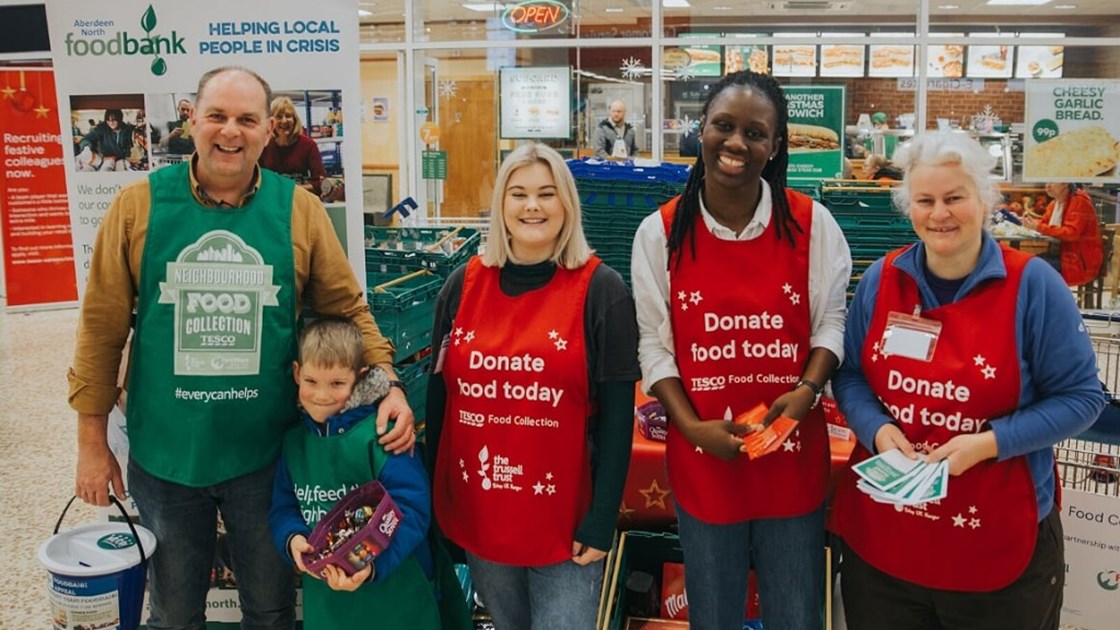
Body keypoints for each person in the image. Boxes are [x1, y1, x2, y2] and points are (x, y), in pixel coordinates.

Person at [69, 65, 416, 629]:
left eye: (247, 120)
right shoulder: (139, 207)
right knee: (174, 613)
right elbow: (101, 329)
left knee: (271, 610)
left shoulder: (298, 210)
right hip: (165, 454)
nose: (231, 131)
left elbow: (346, 307)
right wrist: (91, 443)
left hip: (265, 457)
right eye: (218, 116)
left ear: (265, 131)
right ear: (193, 120)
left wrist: (389, 384)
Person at [830, 132, 1105, 630]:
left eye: (955, 198)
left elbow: (1083, 397)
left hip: (998, 547)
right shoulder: (881, 280)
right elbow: (850, 377)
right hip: (887, 546)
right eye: (926, 200)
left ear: (985, 200)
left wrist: (989, 443)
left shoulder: (1034, 286)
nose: (941, 214)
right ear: (908, 206)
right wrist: (877, 430)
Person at [630, 70, 852, 630]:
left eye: (755, 133)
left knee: (796, 614)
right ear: (700, 130)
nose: (736, 144)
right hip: (704, 461)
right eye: (723, 126)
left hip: (792, 457)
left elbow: (831, 320)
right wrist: (691, 427)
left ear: (775, 147)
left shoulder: (812, 225)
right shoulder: (659, 234)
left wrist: (806, 391)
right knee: (714, 615)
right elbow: (656, 349)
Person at [425, 142, 640, 629]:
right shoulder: (461, 286)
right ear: (501, 205)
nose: (532, 206)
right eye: (518, 194)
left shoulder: (602, 290)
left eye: (547, 193)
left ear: (566, 203)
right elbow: (441, 401)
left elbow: (617, 420)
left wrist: (603, 518)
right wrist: (439, 505)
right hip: (483, 511)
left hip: (567, 523)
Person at [268, 316, 440, 628]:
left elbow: (412, 508)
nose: (321, 395)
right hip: (328, 600)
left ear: (358, 378)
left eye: (336, 383)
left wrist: (373, 566)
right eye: (311, 382)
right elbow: (283, 508)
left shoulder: (383, 434)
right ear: (297, 373)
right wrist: (293, 539)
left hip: (396, 591)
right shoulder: (293, 443)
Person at [1022, 182, 1103, 287]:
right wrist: (1029, 222)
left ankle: (1046, 301)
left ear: (1065, 183)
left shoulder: (1079, 201)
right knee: (1024, 263)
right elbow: (1043, 223)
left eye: (1052, 181)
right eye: (1046, 181)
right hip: (1061, 256)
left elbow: (1071, 233)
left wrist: (1039, 227)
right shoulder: (1055, 204)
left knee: (1028, 269)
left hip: (1077, 263)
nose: (1048, 185)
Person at [259, 96, 327, 196]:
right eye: (279, 116)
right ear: (271, 122)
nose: (284, 121)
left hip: (300, 202)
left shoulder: (309, 145)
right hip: (270, 203)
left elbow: (320, 184)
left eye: (288, 116)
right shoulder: (263, 145)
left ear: (294, 119)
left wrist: (288, 190)